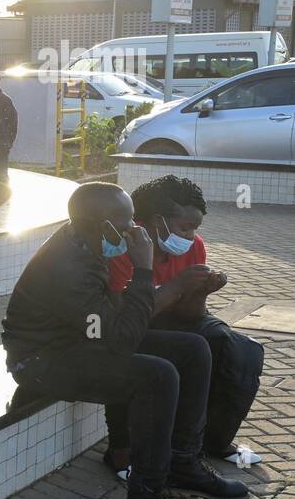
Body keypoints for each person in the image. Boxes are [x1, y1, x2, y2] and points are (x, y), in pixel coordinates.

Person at [1, 182, 248, 499]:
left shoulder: (87, 239)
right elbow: (116, 339)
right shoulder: (68, 267)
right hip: (40, 360)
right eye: (127, 222)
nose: (137, 230)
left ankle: (183, 462)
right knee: (157, 375)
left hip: (80, 339)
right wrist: (145, 270)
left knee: (194, 348)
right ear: (103, 227)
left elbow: (110, 327)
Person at [102, 175, 264, 471]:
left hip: (175, 317)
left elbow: (192, 314)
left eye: (195, 228)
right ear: (156, 221)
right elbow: (127, 320)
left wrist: (201, 290)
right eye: (184, 228)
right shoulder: (125, 249)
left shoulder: (193, 247)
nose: (190, 236)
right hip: (130, 327)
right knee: (190, 350)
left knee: (239, 350)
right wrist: (176, 287)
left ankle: (213, 439)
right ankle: (136, 450)